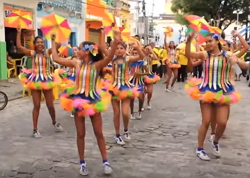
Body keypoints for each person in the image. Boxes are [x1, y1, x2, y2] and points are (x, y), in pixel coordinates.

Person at [51, 31, 120, 175]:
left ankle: (105, 161)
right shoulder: (76, 63)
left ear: (87, 52)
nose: (77, 51)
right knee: (80, 134)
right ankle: (82, 163)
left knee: (98, 132)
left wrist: (115, 41)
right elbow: (56, 58)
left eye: (80, 49)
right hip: (77, 100)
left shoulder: (97, 65)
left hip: (93, 101)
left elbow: (110, 56)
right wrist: (53, 42)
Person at [185, 31, 248, 161]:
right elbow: (189, 54)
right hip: (206, 90)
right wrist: (189, 41)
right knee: (206, 121)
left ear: (217, 41)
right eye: (206, 42)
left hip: (223, 91)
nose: (207, 44)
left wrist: (236, 59)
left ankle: (216, 141)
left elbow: (245, 63)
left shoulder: (228, 55)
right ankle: (200, 148)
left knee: (222, 122)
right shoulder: (204, 55)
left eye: (209, 41)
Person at [17, 27, 63, 138]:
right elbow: (19, 47)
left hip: (46, 79)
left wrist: (54, 36)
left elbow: (59, 44)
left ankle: (54, 122)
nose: (40, 44)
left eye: (42, 42)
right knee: (36, 105)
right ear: (34, 44)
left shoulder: (48, 52)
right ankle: (35, 129)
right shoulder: (32, 53)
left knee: (50, 105)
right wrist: (18, 33)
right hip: (35, 80)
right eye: (38, 42)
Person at [111, 41, 144, 145]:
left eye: (121, 48)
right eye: (117, 48)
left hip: (126, 87)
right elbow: (103, 49)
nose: (119, 50)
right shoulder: (112, 59)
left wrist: (137, 47)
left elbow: (141, 56)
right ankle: (117, 135)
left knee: (125, 113)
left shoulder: (128, 59)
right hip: (114, 87)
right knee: (116, 113)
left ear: (125, 50)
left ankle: (125, 129)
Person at [129, 48, 149, 120]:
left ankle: (139, 111)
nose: (134, 55)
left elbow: (148, 72)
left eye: (136, 53)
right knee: (131, 99)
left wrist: (140, 74)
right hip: (131, 82)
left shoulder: (142, 62)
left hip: (139, 83)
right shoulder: (129, 62)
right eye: (133, 53)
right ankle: (131, 113)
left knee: (140, 98)